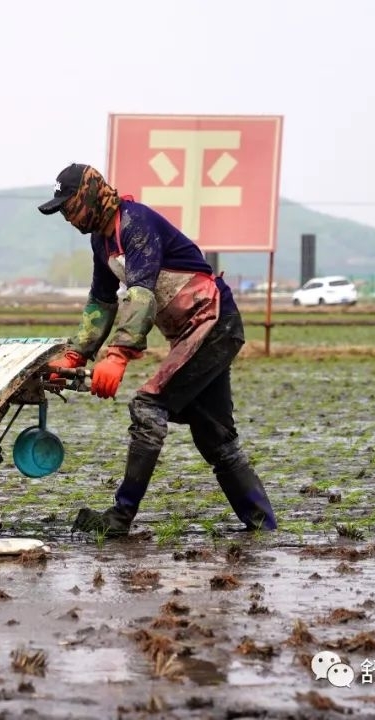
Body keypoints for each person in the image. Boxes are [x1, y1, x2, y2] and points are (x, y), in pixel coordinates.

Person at [37, 163, 277, 536]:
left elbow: (141, 293)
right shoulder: (101, 240)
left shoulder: (135, 222)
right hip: (192, 334)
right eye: (64, 211)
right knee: (216, 437)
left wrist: (118, 353)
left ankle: (120, 517)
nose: (68, 216)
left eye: (71, 206)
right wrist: (76, 354)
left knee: (148, 405)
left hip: (213, 323)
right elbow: (102, 301)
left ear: (90, 194)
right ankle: (264, 527)